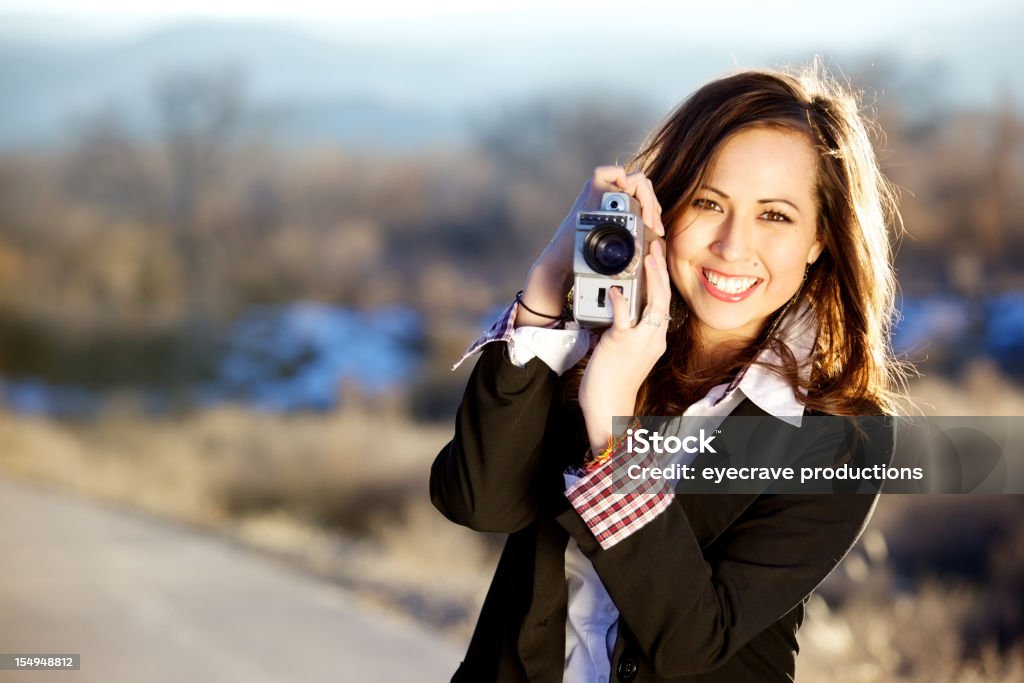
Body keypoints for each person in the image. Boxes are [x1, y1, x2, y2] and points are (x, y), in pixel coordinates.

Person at [430, 62, 908, 682]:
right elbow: (477, 502)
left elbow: (692, 642)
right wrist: (548, 287)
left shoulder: (841, 434)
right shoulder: (582, 341)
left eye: (776, 215)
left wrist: (612, 428)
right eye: (710, 202)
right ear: (670, 205)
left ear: (820, 239)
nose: (733, 246)